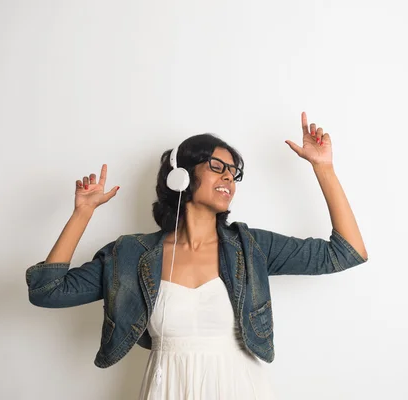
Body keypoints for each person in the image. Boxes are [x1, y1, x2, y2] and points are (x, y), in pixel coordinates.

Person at [25, 112, 369, 399]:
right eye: (218, 167)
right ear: (182, 175)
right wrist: (83, 212)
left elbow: (346, 252)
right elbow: (47, 291)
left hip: (239, 388)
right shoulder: (130, 255)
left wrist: (323, 168)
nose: (229, 178)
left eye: (234, 173)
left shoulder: (251, 247)